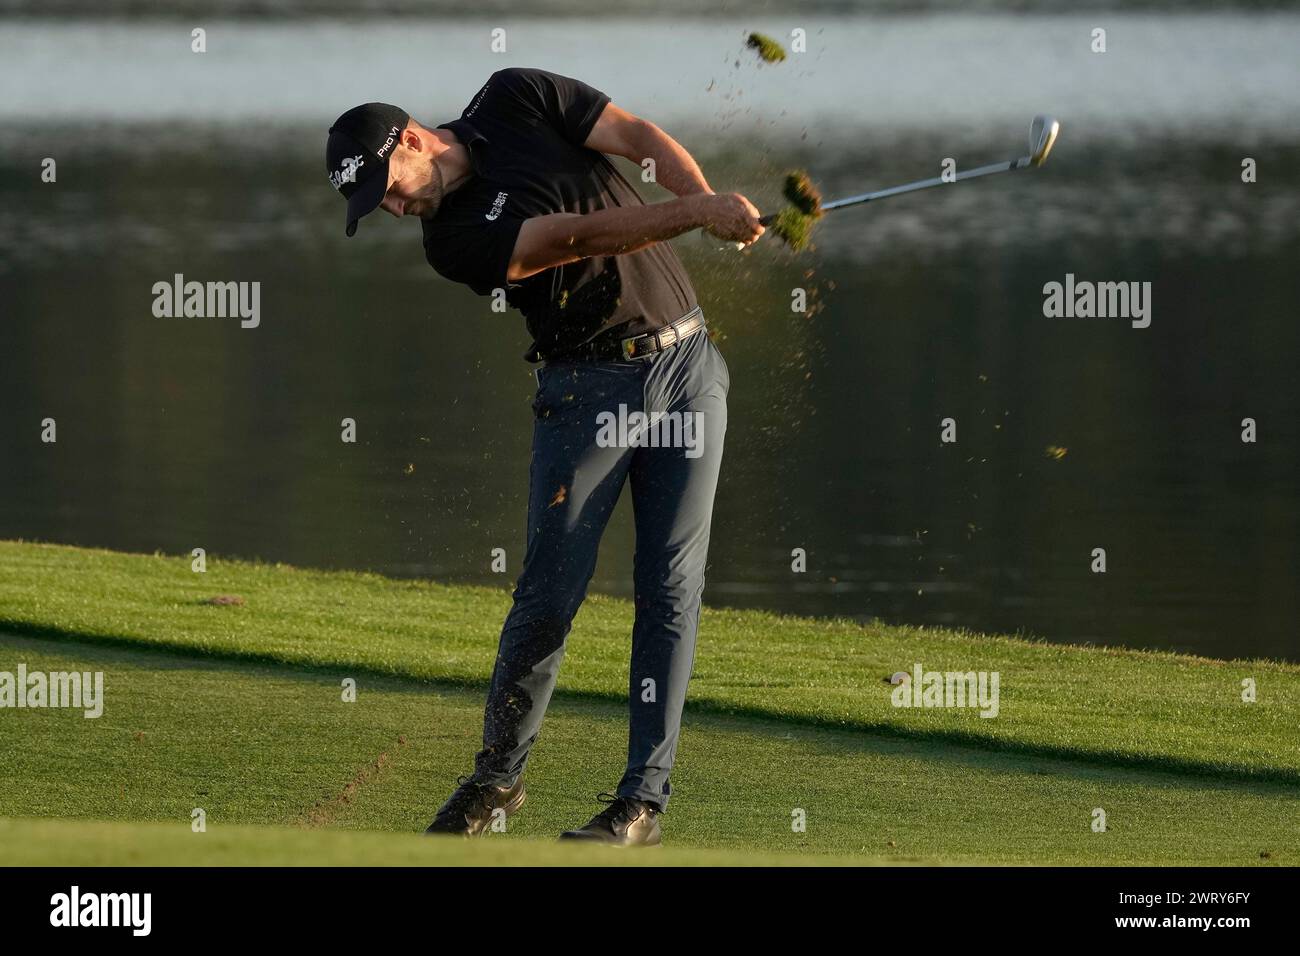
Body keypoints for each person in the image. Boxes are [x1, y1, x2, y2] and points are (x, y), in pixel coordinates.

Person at [324, 67, 762, 846]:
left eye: (389, 188)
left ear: (416, 141)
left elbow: (633, 138)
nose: (394, 209)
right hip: (586, 389)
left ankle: (642, 803)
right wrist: (696, 213)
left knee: (671, 586)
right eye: (378, 206)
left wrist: (704, 197)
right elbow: (569, 239)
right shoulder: (449, 240)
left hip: (691, 370)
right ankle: (496, 781)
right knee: (548, 594)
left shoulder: (516, 96)